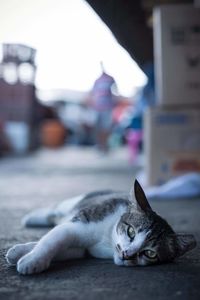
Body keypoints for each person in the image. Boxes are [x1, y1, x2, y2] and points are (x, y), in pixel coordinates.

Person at [91, 63, 117, 153]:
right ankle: (100, 145)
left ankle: (105, 145)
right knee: (98, 127)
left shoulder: (110, 79)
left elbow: (115, 91)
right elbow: (93, 94)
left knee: (106, 127)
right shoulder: (97, 81)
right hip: (98, 107)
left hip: (107, 107)